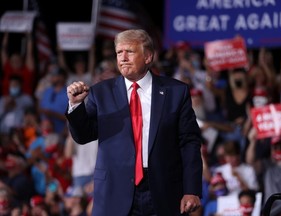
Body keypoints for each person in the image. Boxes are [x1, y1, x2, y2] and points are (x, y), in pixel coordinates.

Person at [66, 29, 203, 216]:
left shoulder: (176, 92)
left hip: (163, 190)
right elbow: (83, 136)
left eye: (129, 51)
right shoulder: (101, 92)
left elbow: (189, 143)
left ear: (148, 57)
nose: (123, 57)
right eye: (119, 53)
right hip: (115, 192)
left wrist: (191, 189)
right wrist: (75, 105)